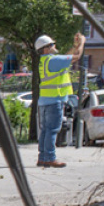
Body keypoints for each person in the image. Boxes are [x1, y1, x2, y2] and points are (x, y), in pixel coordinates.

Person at [34, 32, 85, 168]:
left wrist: (75, 45)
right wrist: (82, 43)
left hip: (45, 100)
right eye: (52, 44)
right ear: (46, 48)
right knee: (52, 130)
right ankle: (50, 158)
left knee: (45, 130)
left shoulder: (46, 61)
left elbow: (66, 57)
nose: (54, 46)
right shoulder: (53, 61)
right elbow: (76, 57)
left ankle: (43, 158)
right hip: (54, 100)